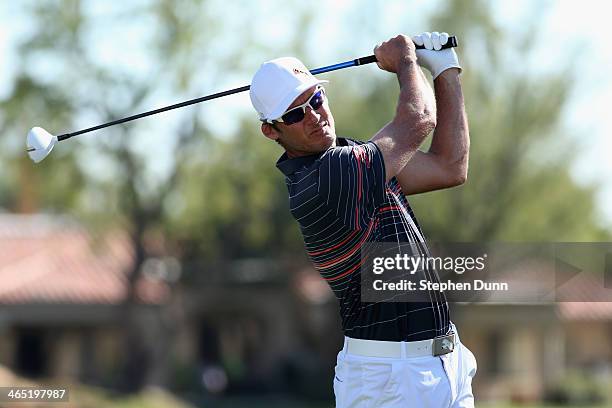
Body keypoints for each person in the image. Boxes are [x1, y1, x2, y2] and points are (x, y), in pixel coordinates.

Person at [250, 32, 476, 407]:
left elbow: (450, 167)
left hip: (445, 365)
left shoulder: (355, 157)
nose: (314, 117)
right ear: (271, 130)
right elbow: (418, 119)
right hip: (388, 379)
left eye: (316, 99)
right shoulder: (322, 180)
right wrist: (405, 61)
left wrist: (446, 70)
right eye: (294, 113)